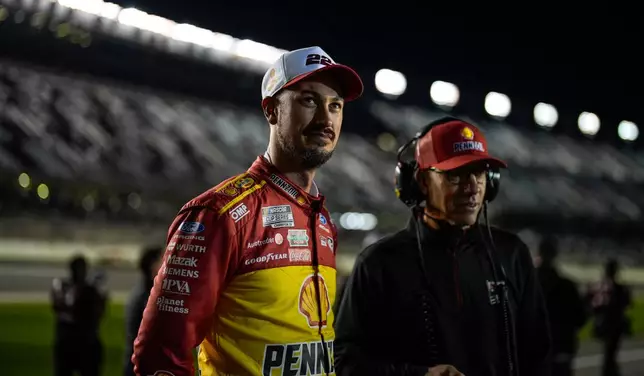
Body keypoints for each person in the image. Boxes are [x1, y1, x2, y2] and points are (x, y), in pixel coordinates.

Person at [133, 46, 363, 376]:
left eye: (335, 105)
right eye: (309, 100)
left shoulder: (322, 219)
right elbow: (160, 354)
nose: (326, 119)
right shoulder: (219, 214)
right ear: (271, 110)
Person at [334, 117, 551, 376]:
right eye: (455, 175)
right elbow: (344, 361)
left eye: (480, 172)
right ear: (421, 182)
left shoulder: (511, 254)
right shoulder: (378, 263)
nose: (472, 187)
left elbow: (538, 355)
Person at [536, 236, 588, 376]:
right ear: (555, 254)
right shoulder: (567, 286)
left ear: (539, 253)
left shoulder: (524, 284)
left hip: (531, 352)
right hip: (560, 350)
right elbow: (580, 318)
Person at [51, 255, 108, 376]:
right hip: (74, 340)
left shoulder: (91, 289)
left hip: (84, 341)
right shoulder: (63, 287)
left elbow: (100, 310)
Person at [587, 258, 632, 376]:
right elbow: (627, 303)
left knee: (609, 354)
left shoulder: (599, 286)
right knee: (610, 354)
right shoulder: (619, 288)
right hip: (615, 324)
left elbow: (592, 304)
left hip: (604, 323)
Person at [123, 246, 164, 376]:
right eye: (162, 261)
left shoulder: (145, 294)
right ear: (152, 266)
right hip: (140, 367)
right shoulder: (143, 298)